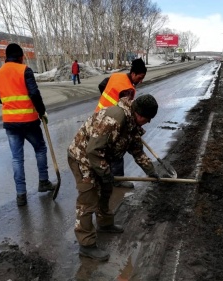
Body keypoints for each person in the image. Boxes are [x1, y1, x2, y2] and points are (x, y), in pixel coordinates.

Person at [68, 94, 160, 261]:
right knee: (88, 199)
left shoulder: (132, 123)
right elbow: (92, 151)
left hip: (99, 158)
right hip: (82, 157)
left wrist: (150, 170)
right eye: (148, 119)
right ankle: (86, 245)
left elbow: (137, 150)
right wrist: (105, 173)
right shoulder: (115, 119)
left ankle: (105, 223)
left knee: (106, 189)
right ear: (139, 114)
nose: (148, 122)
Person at [0, 43, 56, 207]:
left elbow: (0, 98)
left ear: (6, 57)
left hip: (10, 123)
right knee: (40, 149)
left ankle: (21, 195)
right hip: (28, 121)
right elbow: (34, 93)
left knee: (17, 159)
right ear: (20, 56)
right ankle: (43, 182)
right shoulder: (24, 70)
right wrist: (42, 111)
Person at [96, 58, 147, 189]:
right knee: (118, 149)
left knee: (102, 148)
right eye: (140, 77)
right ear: (133, 73)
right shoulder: (128, 89)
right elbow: (128, 113)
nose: (140, 81)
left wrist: (109, 101)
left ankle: (103, 177)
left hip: (99, 115)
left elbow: (102, 85)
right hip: (110, 121)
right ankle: (118, 179)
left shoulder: (116, 76)